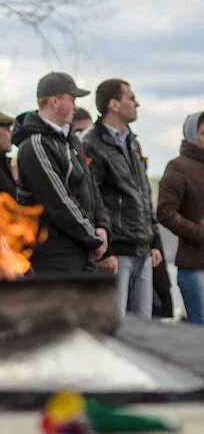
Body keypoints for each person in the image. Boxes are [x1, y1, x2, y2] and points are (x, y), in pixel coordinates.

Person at [12, 72, 110, 274]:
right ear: (55, 101)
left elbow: (91, 186)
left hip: (80, 246)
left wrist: (102, 226)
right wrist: (92, 237)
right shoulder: (35, 144)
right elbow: (58, 200)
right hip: (55, 252)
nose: (75, 106)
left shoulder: (70, 140)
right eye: (72, 99)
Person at [84, 78, 162, 319]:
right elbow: (90, 200)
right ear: (114, 104)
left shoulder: (133, 143)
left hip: (143, 250)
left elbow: (144, 195)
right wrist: (104, 251)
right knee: (115, 326)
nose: (137, 103)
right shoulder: (91, 143)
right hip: (116, 252)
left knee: (144, 326)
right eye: (131, 97)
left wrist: (155, 241)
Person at [158, 112, 204, 325]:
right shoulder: (178, 167)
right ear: (192, 135)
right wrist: (198, 233)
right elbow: (165, 212)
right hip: (195, 267)